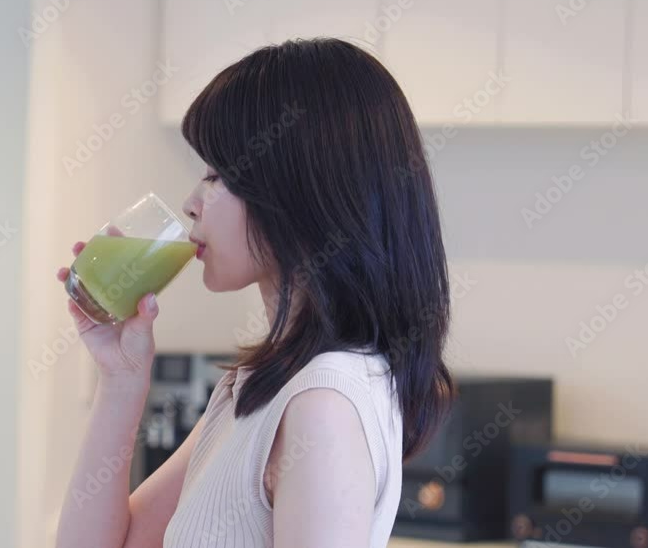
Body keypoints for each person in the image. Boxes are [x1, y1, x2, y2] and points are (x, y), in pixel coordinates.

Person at [53, 37, 454, 548]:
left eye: (217, 175)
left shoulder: (323, 404)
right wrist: (121, 379)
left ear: (298, 191)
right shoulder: (257, 388)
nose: (192, 202)